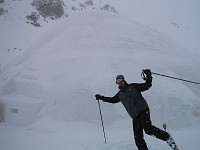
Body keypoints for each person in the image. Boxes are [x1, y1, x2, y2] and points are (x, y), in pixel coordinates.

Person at [95, 69, 177, 150]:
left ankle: (167, 137)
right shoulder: (120, 95)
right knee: (138, 138)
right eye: (118, 81)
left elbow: (147, 85)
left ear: (124, 80)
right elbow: (112, 100)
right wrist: (101, 97)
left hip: (143, 111)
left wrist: (148, 75)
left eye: (121, 80)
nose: (120, 82)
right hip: (135, 116)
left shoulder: (133, 86)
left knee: (148, 130)